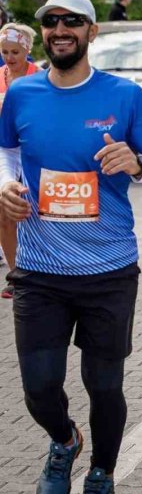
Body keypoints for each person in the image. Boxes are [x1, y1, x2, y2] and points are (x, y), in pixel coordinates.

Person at [0, 0, 142, 493]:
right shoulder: (22, 93)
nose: (60, 30)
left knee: (104, 385)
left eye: (72, 22)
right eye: (51, 21)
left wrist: (138, 163)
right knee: (39, 387)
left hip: (109, 269)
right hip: (40, 269)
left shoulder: (124, 96)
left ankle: (102, 471)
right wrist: (6, 184)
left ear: (91, 32)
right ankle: (64, 440)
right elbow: (6, 153)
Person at [0, 23, 41, 299]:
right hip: (4, 153)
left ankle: (42, 271)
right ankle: (17, 276)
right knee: (4, 214)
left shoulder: (40, 78)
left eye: (15, 51)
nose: (9, 57)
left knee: (33, 214)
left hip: (32, 152)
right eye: (4, 51)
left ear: (27, 49)